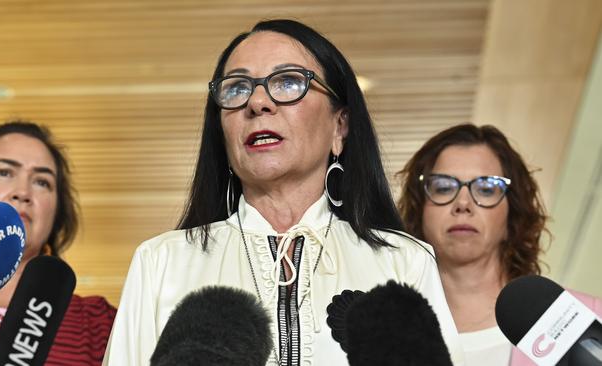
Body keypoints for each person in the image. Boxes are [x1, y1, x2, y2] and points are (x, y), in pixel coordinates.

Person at [104, 19, 464, 366]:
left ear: (340, 127)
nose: (258, 103)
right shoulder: (162, 263)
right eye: (237, 88)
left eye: (289, 82)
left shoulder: (404, 262)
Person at [397, 123, 602, 366]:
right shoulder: (383, 334)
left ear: (511, 217)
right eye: (443, 187)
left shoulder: (586, 318)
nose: (463, 203)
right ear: (420, 211)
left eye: (486, 189)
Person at [0, 121, 117, 365]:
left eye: (42, 182)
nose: (23, 192)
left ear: (56, 212)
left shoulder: (97, 324)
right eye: (4, 172)